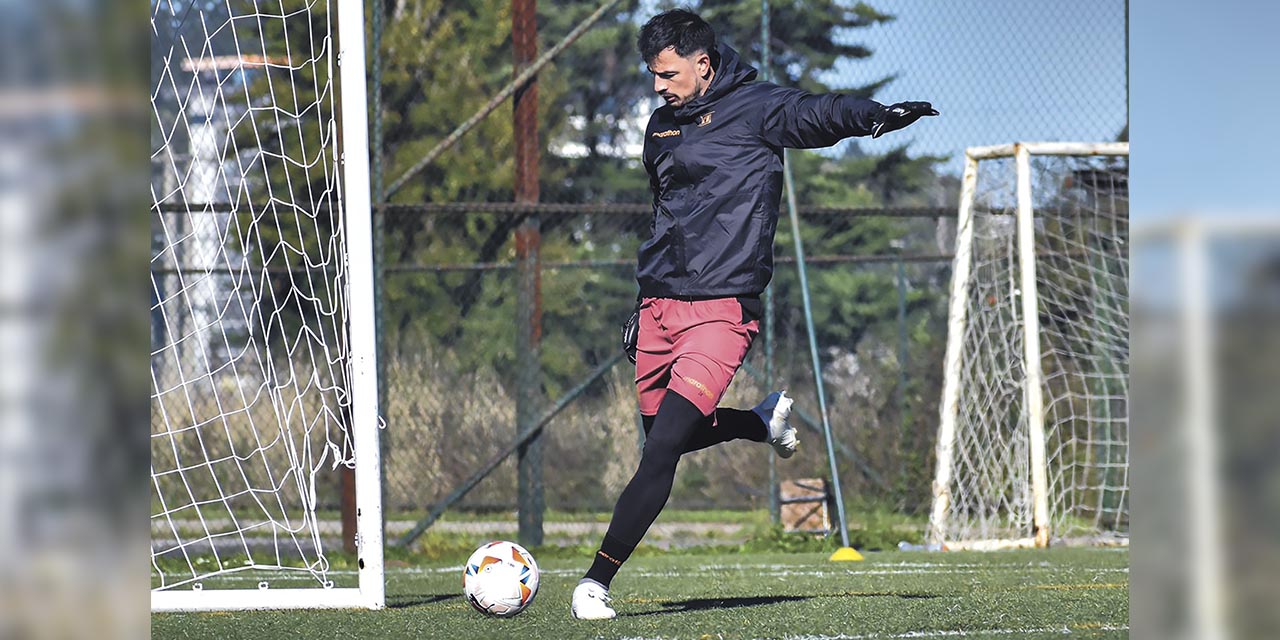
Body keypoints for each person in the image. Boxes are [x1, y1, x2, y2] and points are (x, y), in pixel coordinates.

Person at [570, 9, 937, 620]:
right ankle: (759, 422)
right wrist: (643, 302)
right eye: (652, 74)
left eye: (666, 73)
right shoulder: (659, 127)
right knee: (667, 437)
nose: (658, 85)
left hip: (722, 308)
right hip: (660, 307)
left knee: (658, 455)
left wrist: (872, 116)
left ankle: (595, 582)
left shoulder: (756, 107)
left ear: (703, 64)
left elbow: (817, 113)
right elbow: (664, 218)